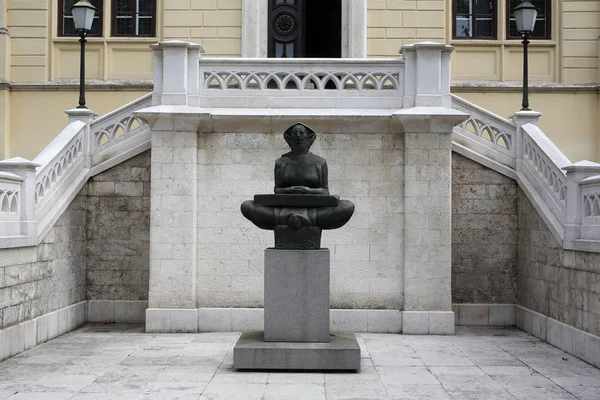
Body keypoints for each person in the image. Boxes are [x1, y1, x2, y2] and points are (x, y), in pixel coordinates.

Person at [241, 123, 354, 231]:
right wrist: (289, 190)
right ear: (290, 138)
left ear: (309, 137)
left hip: (313, 208)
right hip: (286, 207)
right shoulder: (281, 162)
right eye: (295, 133)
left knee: (347, 206)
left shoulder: (320, 163)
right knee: (247, 205)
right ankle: (306, 219)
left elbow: (325, 191)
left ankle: (289, 219)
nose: (298, 136)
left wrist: (308, 191)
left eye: (301, 132)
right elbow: (277, 190)